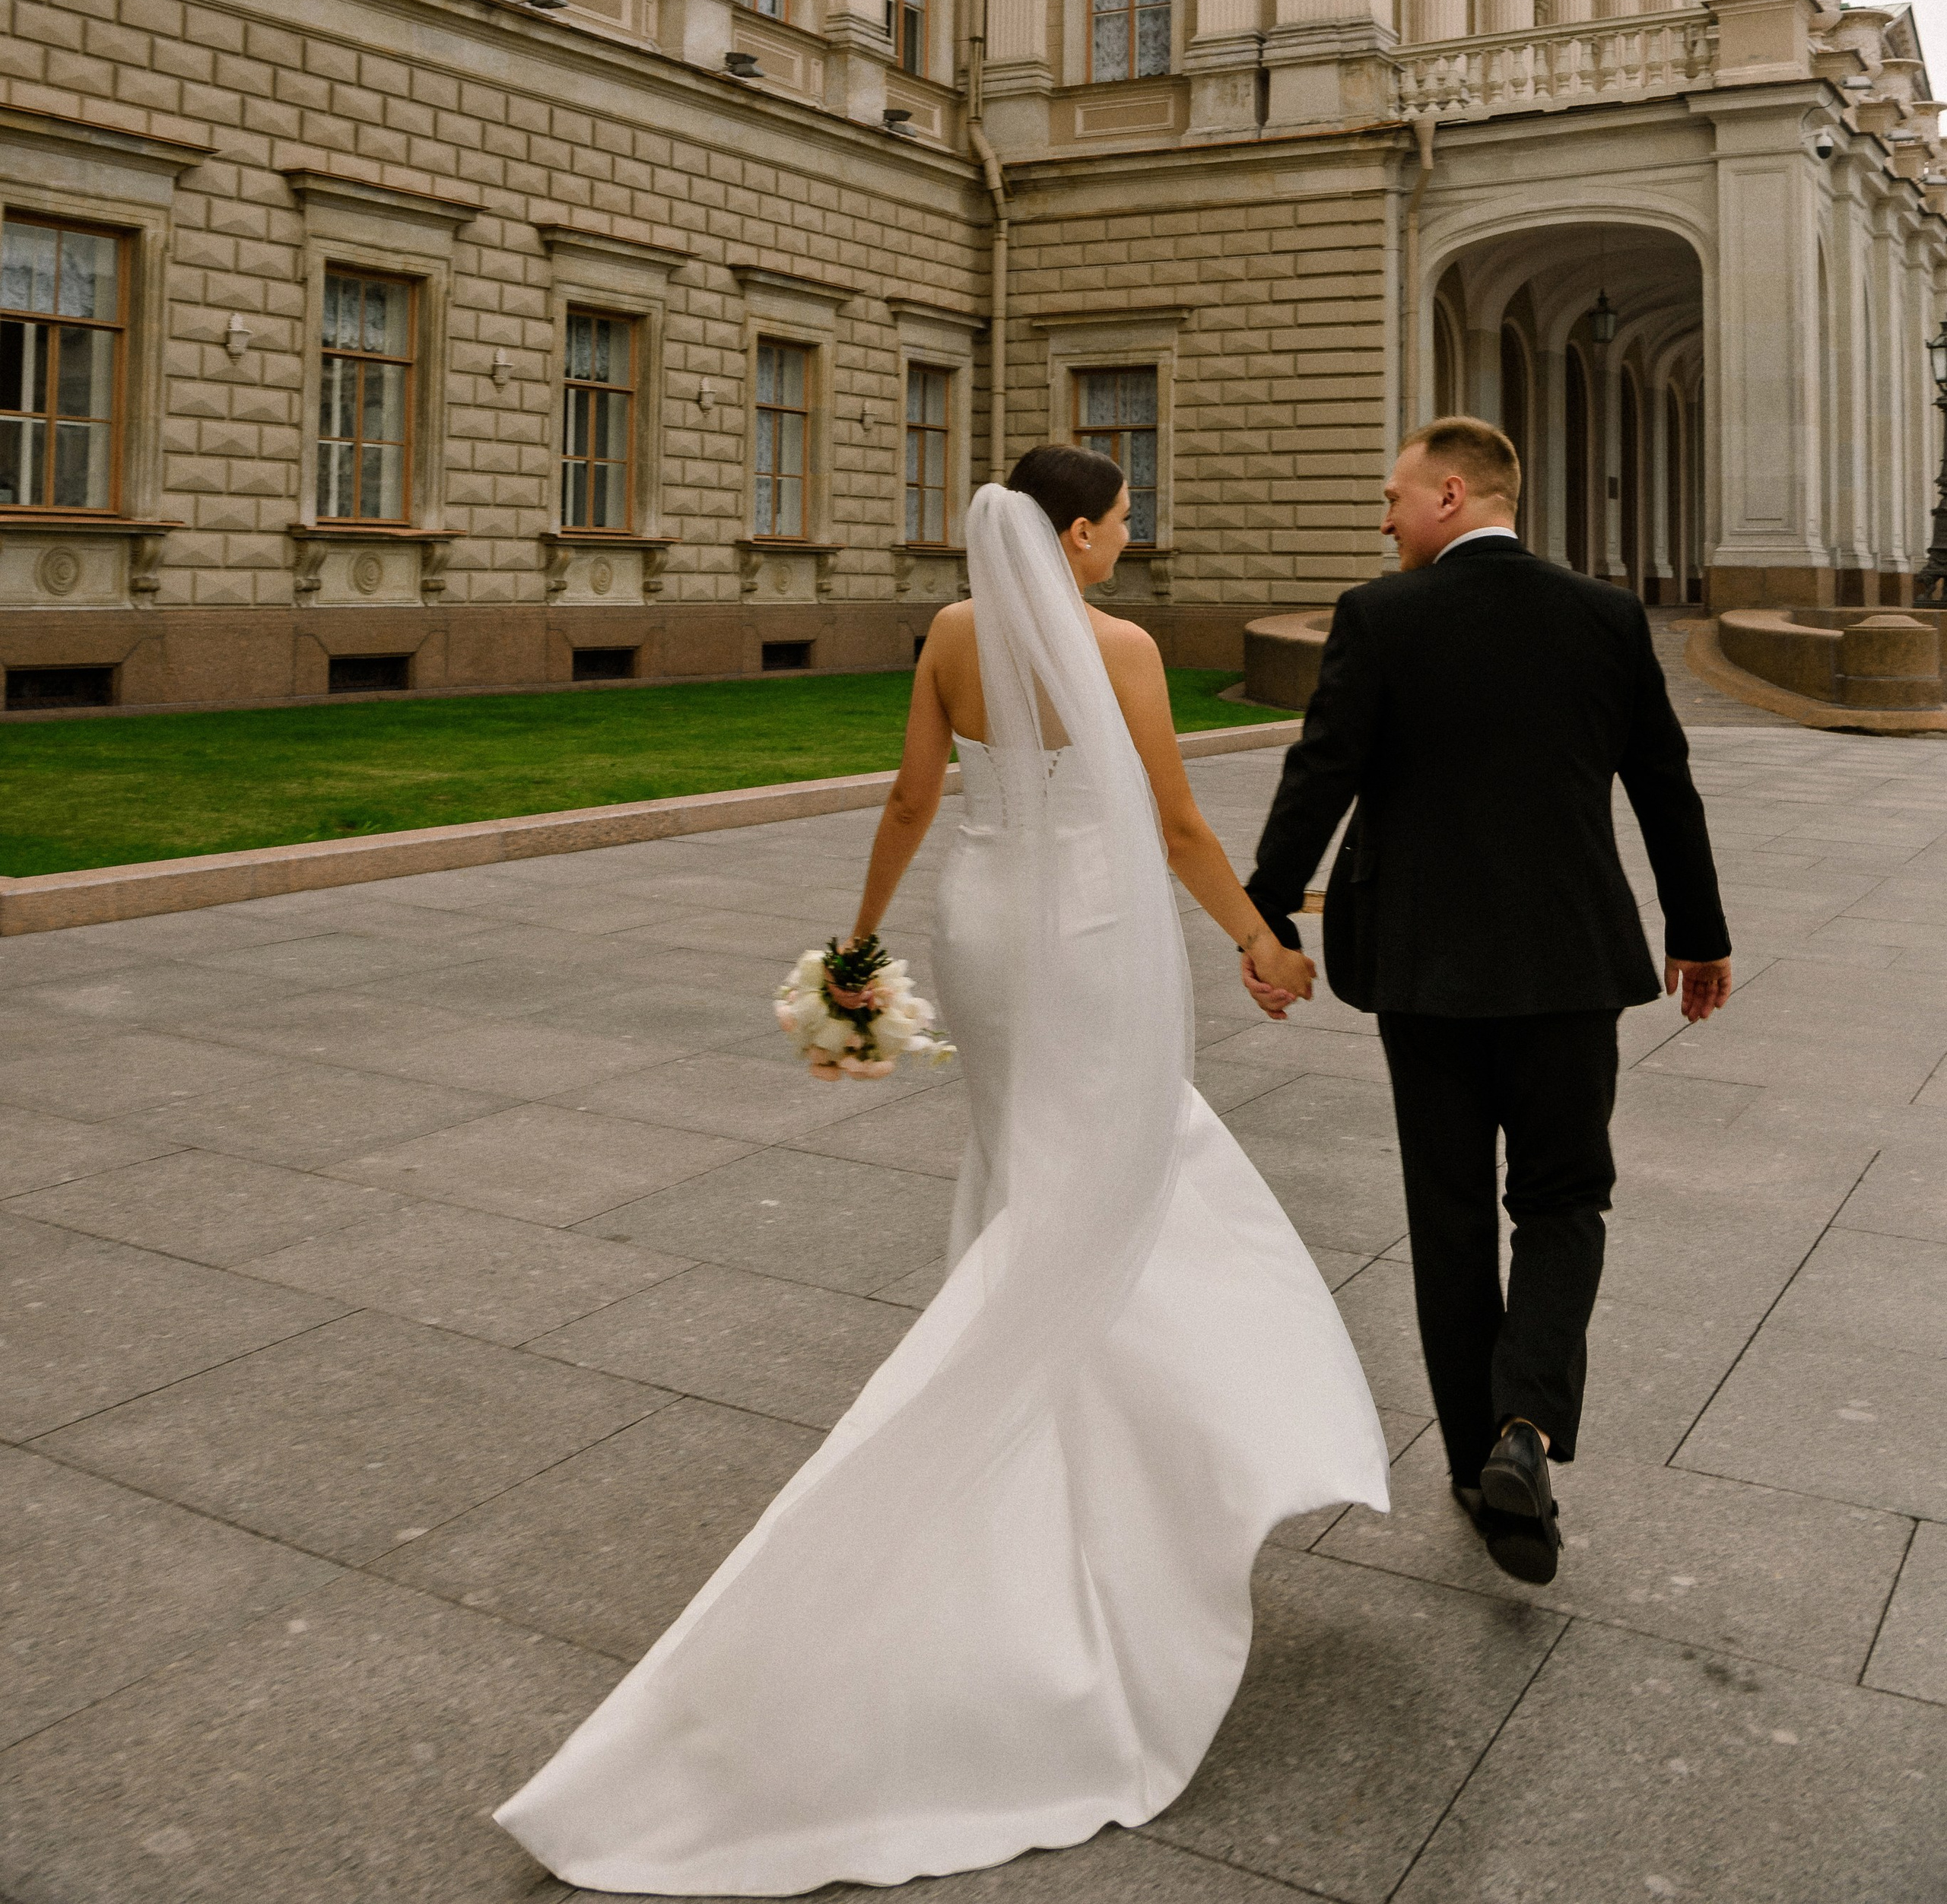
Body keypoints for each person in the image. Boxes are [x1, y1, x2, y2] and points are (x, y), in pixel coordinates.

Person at [497, 446, 1388, 1896]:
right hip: (1091, 936)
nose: (1118, 550)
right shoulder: (1122, 646)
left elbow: (912, 800)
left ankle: (1105, 1414)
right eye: (1113, 530)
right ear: (1081, 533)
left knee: (1046, 1177)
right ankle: (1099, 1439)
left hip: (985, 932)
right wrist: (1257, 938)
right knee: (1124, 1179)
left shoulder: (955, 638)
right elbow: (1173, 825)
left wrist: (855, 949)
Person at [1243, 414, 1732, 1586]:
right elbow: (1664, 784)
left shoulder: (1382, 617)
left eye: (1397, 499)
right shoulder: (1608, 617)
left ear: (1452, 494)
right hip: (1572, 965)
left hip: (1427, 970)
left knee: (1453, 1212)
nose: (1386, 519)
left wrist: (1260, 916)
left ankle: (1481, 1472)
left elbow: (1323, 775)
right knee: (1566, 1201)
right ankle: (1529, 1423)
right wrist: (1698, 931)